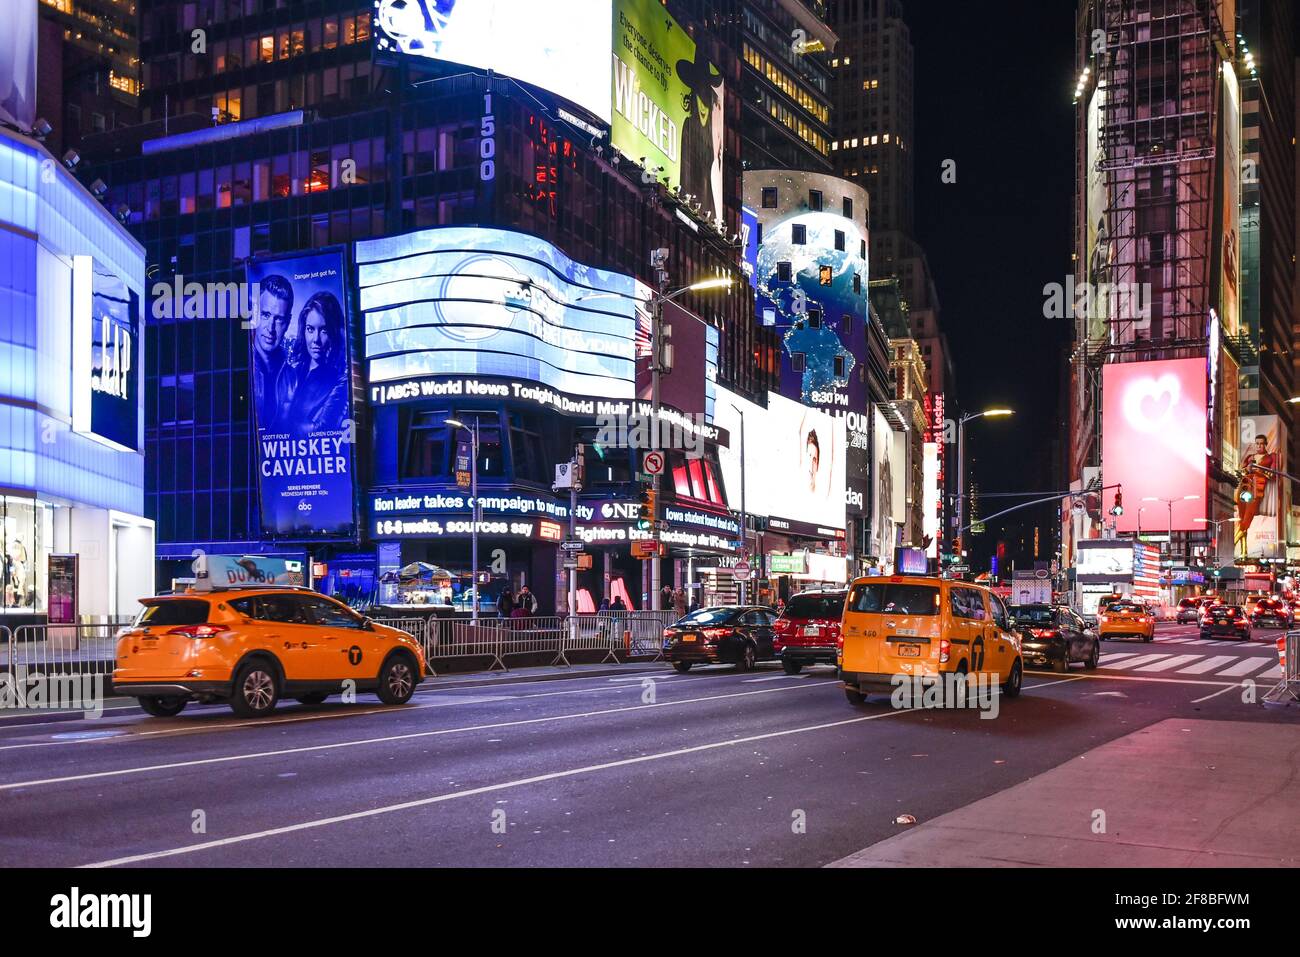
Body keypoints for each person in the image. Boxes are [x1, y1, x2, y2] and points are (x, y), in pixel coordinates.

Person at [281, 291, 350, 439]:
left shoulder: (340, 380)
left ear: (334, 333)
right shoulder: (293, 371)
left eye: (324, 330)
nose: (315, 339)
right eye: (310, 329)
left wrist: (283, 424)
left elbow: (323, 429)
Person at [675, 48, 723, 221]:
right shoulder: (689, 127)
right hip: (692, 204)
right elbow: (684, 174)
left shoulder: (710, 133)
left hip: (705, 207)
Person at [251, 274, 293, 431]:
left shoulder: (294, 379)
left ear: (288, 323)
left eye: (279, 319)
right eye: (266, 315)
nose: (271, 328)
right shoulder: (240, 369)